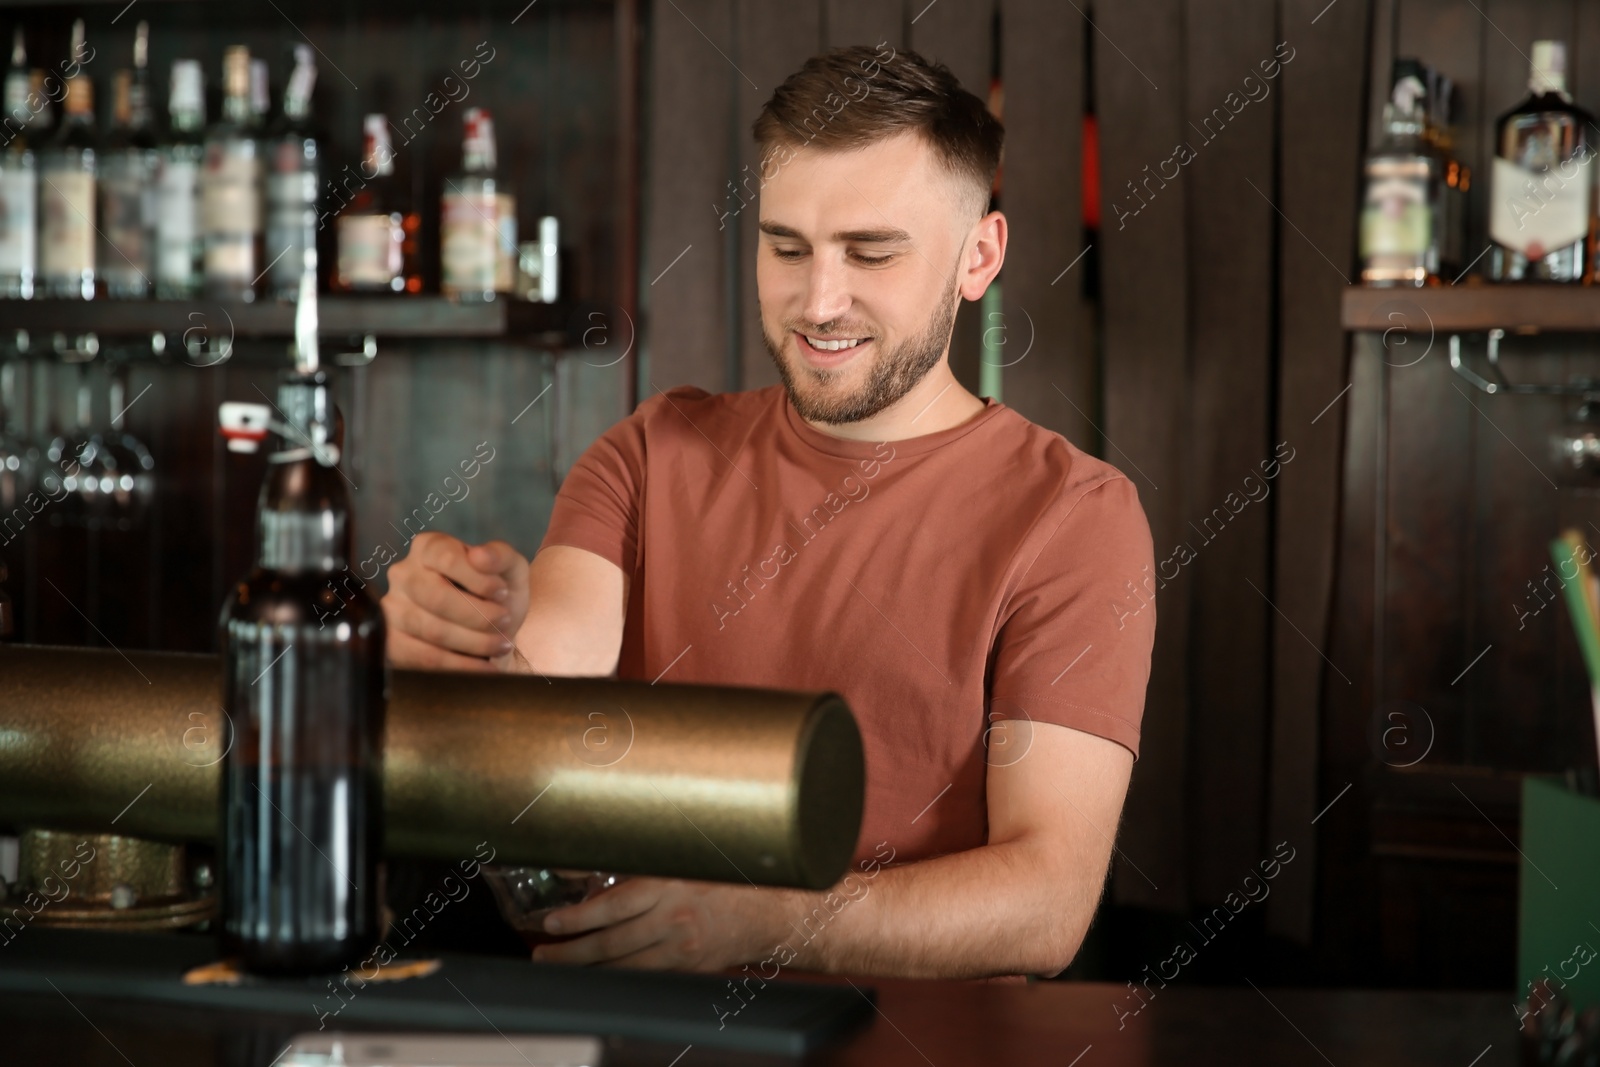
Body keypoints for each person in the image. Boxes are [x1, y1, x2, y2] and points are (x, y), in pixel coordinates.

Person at [382, 44, 1156, 981]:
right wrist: (467, 637)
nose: (819, 301)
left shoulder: (1075, 516)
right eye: (786, 247)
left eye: (871, 252)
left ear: (978, 256)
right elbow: (538, 695)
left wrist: (771, 923)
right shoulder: (653, 451)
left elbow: (1047, 900)